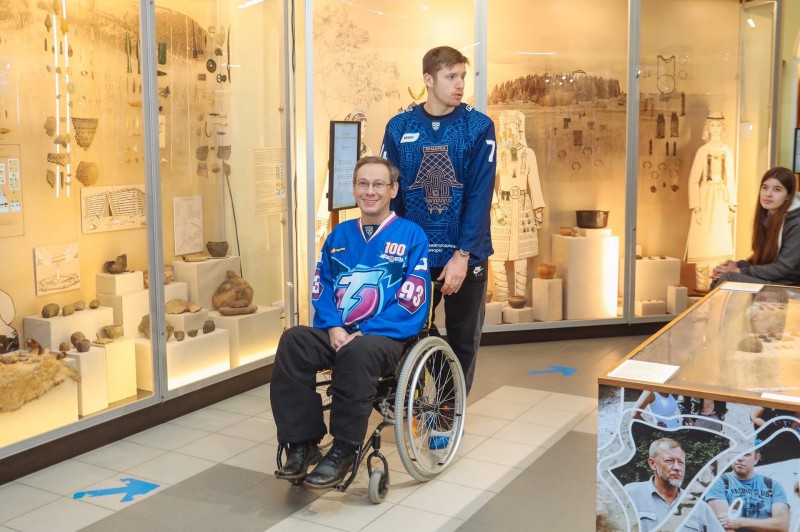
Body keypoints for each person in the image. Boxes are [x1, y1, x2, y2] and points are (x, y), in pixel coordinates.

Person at [271, 156, 430, 488]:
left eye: (378, 184)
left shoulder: (411, 236)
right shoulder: (339, 235)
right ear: (354, 189)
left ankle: (344, 449)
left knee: (358, 352)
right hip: (339, 332)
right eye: (363, 184)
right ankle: (302, 443)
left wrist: (364, 331)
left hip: (384, 338)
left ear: (393, 190)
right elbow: (322, 287)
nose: (370, 191)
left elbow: (412, 298)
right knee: (294, 341)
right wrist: (333, 326)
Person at [381, 45, 496, 394]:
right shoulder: (399, 127)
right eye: (451, 77)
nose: (460, 84)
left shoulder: (478, 127)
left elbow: (480, 196)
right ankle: (415, 400)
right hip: (414, 253)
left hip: (465, 255)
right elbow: (391, 195)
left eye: (462, 76)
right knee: (407, 329)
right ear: (429, 79)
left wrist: (462, 255)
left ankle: (447, 412)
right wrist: (392, 250)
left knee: (463, 339)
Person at [711, 166, 800, 288]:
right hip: (775, 280)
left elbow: (782, 269)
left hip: (791, 287)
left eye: (777, 189)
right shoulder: (767, 217)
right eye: (765, 187)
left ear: (788, 196)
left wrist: (738, 271)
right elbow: (761, 261)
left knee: (729, 278)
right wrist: (737, 265)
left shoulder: (796, 223)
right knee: (721, 275)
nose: (768, 194)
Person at [490, 109, 545, 305]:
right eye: (506, 126)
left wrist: (538, 209)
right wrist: (495, 206)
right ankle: (503, 301)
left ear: (520, 128)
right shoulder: (498, 153)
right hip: (502, 206)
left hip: (522, 206)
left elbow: (534, 182)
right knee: (496, 257)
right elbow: (487, 182)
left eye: (514, 126)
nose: (510, 130)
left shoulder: (528, 154)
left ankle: (519, 300)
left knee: (522, 256)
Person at [624, 438, 725, 531]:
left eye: (681, 462)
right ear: (652, 463)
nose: (677, 467)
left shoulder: (699, 507)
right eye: (669, 461)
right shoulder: (631, 495)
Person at [686, 111, 737, 291]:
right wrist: (696, 207)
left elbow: (731, 180)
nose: (715, 129)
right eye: (712, 125)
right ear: (708, 127)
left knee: (719, 240)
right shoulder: (703, 151)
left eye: (718, 126)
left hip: (721, 200)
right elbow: (693, 180)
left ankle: (717, 284)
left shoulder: (727, 151)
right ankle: (702, 286)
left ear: (723, 128)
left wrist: (732, 205)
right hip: (705, 197)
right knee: (702, 240)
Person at [704, 449, 790, 531]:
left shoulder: (773, 486)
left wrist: (740, 522)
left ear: (756, 458)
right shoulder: (719, 483)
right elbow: (725, 527)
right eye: (735, 454)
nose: (740, 458)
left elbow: (782, 526)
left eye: (746, 454)